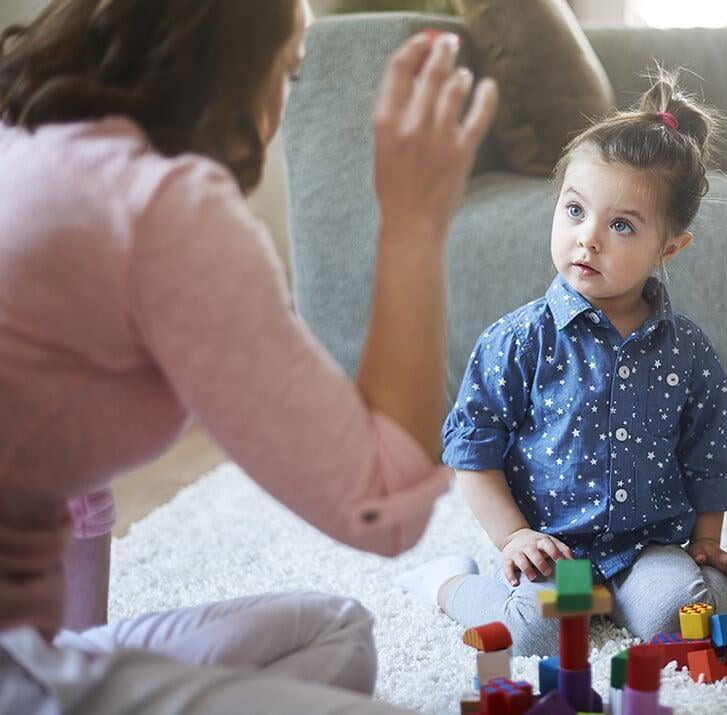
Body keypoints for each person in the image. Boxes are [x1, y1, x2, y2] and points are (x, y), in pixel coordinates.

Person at [0, 0, 497, 711]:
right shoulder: (165, 203)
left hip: (31, 651)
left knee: (335, 634)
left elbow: (75, 486)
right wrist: (414, 221)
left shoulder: (30, 139)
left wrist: (72, 666)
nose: (282, 102)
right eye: (289, 69)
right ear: (230, 65)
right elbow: (381, 508)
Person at [398, 68, 727, 656]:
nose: (588, 239)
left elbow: (707, 453)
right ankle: (447, 582)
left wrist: (708, 539)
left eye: (620, 226)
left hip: (647, 547)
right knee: (534, 635)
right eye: (574, 211)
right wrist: (513, 537)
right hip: (554, 546)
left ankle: (661, 586)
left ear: (669, 248)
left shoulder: (688, 350)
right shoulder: (518, 340)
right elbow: (472, 453)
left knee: (679, 618)